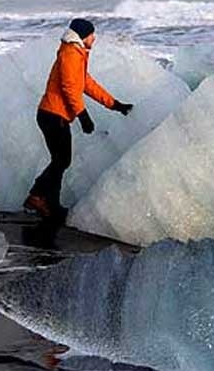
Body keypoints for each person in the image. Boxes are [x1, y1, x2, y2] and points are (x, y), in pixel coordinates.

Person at [23, 18, 133, 220]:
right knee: (62, 160)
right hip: (53, 115)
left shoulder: (77, 54)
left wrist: (114, 104)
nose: (95, 38)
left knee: (60, 160)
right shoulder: (71, 54)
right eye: (92, 34)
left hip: (54, 115)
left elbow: (85, 84)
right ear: (84, 36)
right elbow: (69, 87)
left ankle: (51, 205)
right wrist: (83, 116)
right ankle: (37, 196)